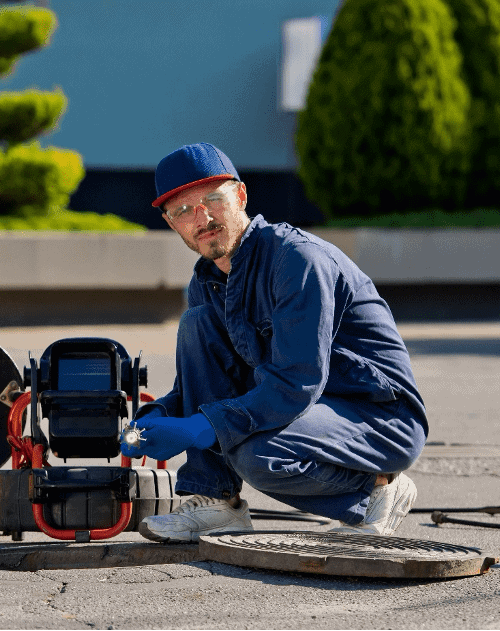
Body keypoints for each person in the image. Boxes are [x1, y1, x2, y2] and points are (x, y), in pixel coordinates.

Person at [121, 143, 428, 542]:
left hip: (377, 416)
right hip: (306, 408)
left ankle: (377, 488)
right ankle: (217, 502)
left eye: (213, 199)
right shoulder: (206, 281)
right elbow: (203, 382)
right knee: (196, 324)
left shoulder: (297, 260)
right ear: (170, 222)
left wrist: (203, 427)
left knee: (258, 455)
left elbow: (296, 382)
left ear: (241, 196)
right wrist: (159, 414)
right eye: (183, 210)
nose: (203, 217)